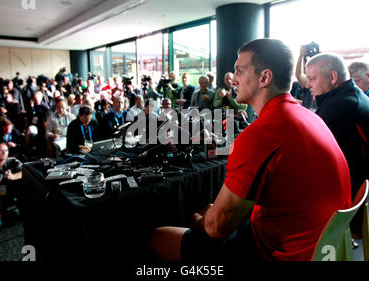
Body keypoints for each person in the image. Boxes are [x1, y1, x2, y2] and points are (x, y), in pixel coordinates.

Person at [148, 38, 351, 262]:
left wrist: (201, 222)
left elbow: (216, 228)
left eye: (239, 71)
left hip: (279, 254)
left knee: (159, 238)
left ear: (264, 77)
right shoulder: (310, 117)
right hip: (321, 247)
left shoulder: (261, 134)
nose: (233, 79)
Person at [305, 53, 369, 236]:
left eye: (312, 78)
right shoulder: (348, 97)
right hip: (365, 192)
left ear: (333, 77)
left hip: (352, 202)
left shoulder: (342, 105)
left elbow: (310, 156)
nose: (307, 84)